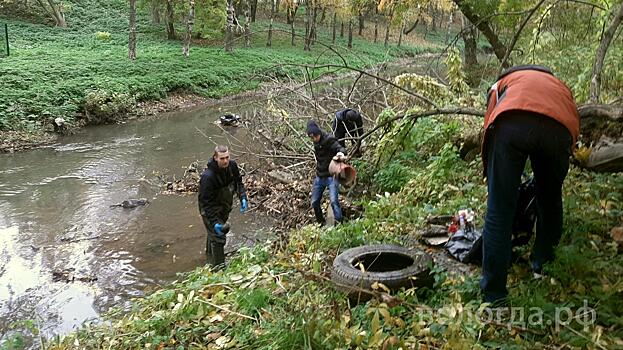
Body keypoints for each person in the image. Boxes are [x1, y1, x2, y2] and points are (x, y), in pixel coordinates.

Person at [480, 65, 579, 305]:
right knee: (550, 198)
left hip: (512, 122)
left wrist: (490, 176)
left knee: (499, 209)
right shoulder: (560, 86)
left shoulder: (501, 84)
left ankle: (494, 296)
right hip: (559, 129)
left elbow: (489, 124)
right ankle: (541, 265)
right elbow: (573, 120)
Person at [198, 145, 248, 267]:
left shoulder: (232, 166)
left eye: (227, 157)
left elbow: (238, 183)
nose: (225, 161)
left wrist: (243, 197)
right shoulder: (207, 177)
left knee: (213, 236)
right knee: (219, 238)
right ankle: (219, 269)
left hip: (224, 206)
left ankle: (208, 259)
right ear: (215, 158)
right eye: (222, 158)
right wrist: (214, 222)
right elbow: (206, 203)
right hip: (209, 209)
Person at [307, 120, 347, 226]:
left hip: (331, 177)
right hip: (320, 177)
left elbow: (340, 148)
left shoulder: (329, 140)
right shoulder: (316, 143)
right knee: (315, 202)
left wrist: (340, 153)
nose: (314, 139)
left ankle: (340, 225)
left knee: (334, 202)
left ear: (318, 133)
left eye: (315, 136)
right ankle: (321, 224)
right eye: (312, 137)